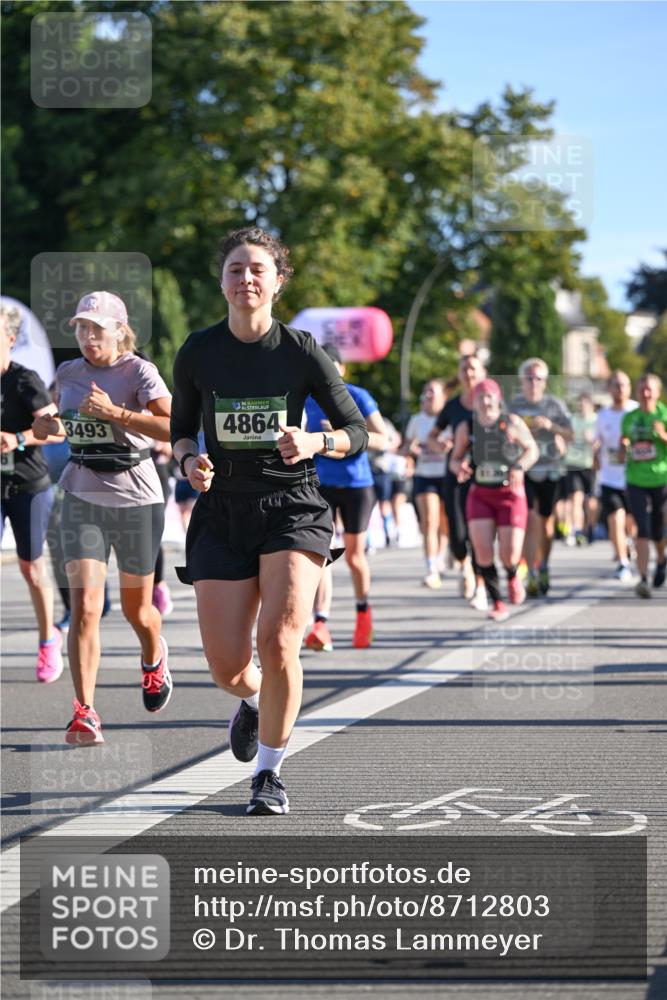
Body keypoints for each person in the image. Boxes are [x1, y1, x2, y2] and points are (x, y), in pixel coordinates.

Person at [170, 227, 368, 816]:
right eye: (236, 269)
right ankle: (255, 702)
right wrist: (188, 460)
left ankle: (269, 774)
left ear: (278, 283)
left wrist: (314, 440)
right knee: (228, 666)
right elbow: (182, 428)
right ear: (222, 280)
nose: (246, 279)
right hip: (223, 511)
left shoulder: (301, 351)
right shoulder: (198, 351)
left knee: (280, 641)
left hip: (292, 507)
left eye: (258, 269)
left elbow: (356, 433)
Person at [32, 291, 173, 744]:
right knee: (86, 607)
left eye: (97, 328)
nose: (88, 337)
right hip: (82, 494)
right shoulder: (69, 372)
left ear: (119, 330)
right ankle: (85, 711)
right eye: (81, 328)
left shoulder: (139, 371)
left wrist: (117, 414)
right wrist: (46, 427)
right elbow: (59, 419)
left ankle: (154, 657)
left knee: (139, 611)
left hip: (135, 496)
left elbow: (173, 427)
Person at [303, 343, 387, 651]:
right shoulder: (308, 399)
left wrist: (343, 435)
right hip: (322, 484)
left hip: (356, 485)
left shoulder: (359, 396)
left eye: (331, 365)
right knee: (321, 553)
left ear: (342, 369)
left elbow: (385, 440)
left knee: (353, 556)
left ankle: (363, 612)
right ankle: (320, 624)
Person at [1, 303, 64, 682]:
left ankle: (47, 639)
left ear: (9, 340)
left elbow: (57, 430)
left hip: (28, 484)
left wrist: (19, 438)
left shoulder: (25, 381)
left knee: (31, 567)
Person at [449, 379, 539, 620]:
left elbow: (532, 450)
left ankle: (511, 574)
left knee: (509, 555)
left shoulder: (511, 423)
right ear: (474, 402)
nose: (485, 401)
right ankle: (498, 602)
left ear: (498, 399)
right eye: (480, 397)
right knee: (483, 554)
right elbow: (454, 459)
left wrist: (519, 466)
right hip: (480, 494)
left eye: (489, 396)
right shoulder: (466, 427)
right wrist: (461, 466)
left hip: (510, 494)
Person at [510, 358, 573, 597]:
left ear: (545, 382)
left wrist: (552, 428)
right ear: (521, 381)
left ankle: (544, 564)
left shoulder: (554, 405)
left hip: (550, 470)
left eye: (538, 378)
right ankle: (532, 571)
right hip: (524, 469)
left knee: (546, 524)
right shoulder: (514, 406)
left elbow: (570, 433)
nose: (533, 383)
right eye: (529, 378)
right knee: (530, 519)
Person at [428, 354, 486, 604]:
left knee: (480, 532)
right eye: (464, 368)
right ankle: (464, 564)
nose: (468, 373)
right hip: (455, 473)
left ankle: (481, 585)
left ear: (482, 372)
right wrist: (440, 445)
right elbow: (432, 436)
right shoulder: (451, 407)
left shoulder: (491, 403)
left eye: (473, 368)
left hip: (484, 476)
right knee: (457, 535)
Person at [620, 373, 667, 598]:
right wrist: (624, 445)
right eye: (641, 390)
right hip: (636, 479)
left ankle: (661, 559)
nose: (645, 394)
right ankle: (643, 579)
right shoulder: (630, 418)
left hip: (661, 479)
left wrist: (662, 435)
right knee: (642, 529)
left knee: (658, 531)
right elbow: (624, 443)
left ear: (658, 392)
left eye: (649, 389)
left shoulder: (664, 415)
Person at [403, 379, 449, 588]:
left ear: (443, 397)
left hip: (447, 475)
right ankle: (431, 568)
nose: (429, 396)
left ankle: (441, 555)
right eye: (426, 392)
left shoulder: (449, 418)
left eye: (433, 392)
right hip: (424, 475)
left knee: (446, 523)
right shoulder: (416, 420)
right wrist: (410, 452)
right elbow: (405, 449)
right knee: (429, 521)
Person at [593, 371, 638, 582]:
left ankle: (630, 543)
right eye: (616, 385)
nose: (620, 389)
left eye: (624, 385)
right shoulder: (603, 416)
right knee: (615, 520)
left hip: (635, 477)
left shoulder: (636, 411)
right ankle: (622, 562)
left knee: (632, 523)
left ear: (629, 388)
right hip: (610, 479)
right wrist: (594, 452)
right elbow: (596, 442)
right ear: (609, 388)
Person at [563, 393, 597, 546]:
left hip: (590, 465)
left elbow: (602, 441)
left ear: (590, 405)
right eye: (579, 405)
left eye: (584, 404)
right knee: (575, 499)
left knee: (590, 502)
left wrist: (593, 441)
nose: (581, 407)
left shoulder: (596, 420)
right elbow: (565, 436)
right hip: (573, 463)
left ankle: (589, 528)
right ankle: (576, 531)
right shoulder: (573, 420)